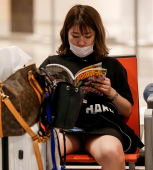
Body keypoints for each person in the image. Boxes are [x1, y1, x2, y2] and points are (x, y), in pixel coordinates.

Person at [40, 5, 144, 170]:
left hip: (101, 126)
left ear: (97, 35)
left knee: (113, 152)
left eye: (87, 36)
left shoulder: (112, 65)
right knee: (42, 150)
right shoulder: (52, 63)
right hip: (65, 127)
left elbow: (127, 110)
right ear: (66, 34)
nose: (81, 42)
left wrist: (110, 92)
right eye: (75, 36)